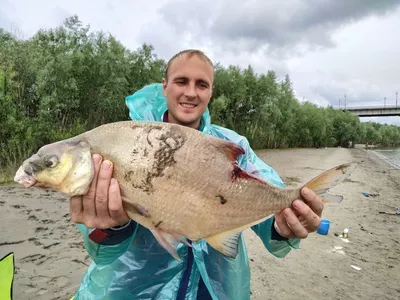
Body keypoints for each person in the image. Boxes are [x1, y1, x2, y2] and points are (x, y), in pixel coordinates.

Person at [70, 49, 324, 300]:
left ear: (211, 91)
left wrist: (284, 225)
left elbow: (266, 198)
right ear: (165, 86)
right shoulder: (125, 141)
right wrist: (112, 229)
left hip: (213, 290)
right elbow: (98, 247)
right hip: (130, 291)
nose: (191, 92)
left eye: (201, 84)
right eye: (181, 81)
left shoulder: (235, 147)